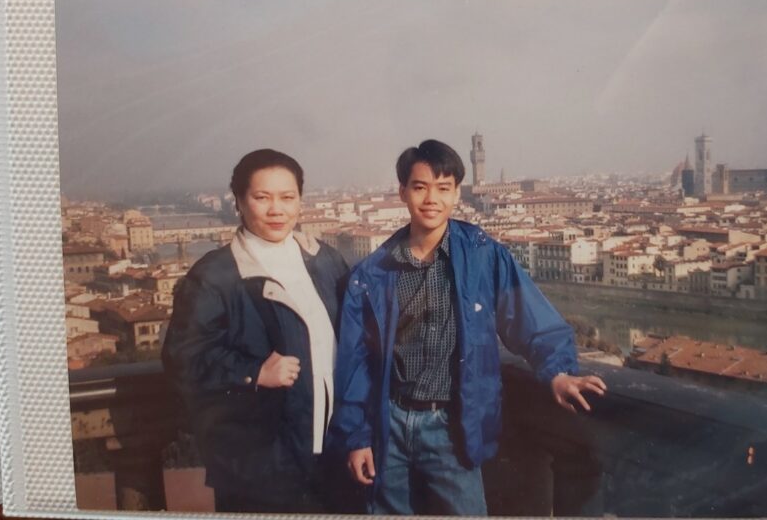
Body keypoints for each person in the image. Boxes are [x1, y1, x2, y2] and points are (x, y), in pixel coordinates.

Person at [331, 139, 606, 515]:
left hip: (451, 426)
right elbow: (356, 363)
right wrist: (356, 437)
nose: (432, 199)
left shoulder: (482, 255)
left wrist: (557, 372)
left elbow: (526, 316)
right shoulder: (373, 274)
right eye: (420, 187)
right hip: (388, 425)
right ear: (403, 192)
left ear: (458, 193)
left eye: (443, 188)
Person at [162, 149, 349, 513]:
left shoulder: (326, 261)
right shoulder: (214, 275)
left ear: (300, 201)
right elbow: (181, 358)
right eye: (262, 198)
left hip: (332, 453)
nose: (276, 209)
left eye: (287, 197)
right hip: (260, 467)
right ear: (238, 202)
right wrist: (254, 372)